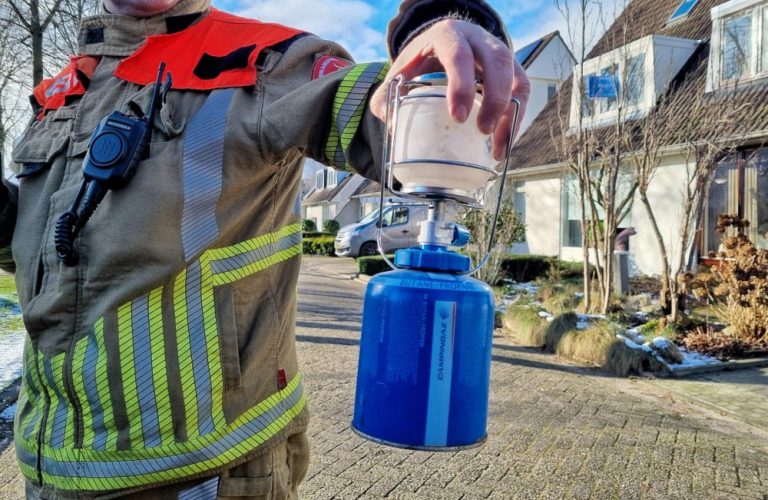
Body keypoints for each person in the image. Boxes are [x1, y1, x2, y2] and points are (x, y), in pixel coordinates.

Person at [4, 0, 530, 498]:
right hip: (49, 469)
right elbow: (48, 252)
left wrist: (447, 34)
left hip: (203, 474)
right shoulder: (58, 96)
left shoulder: (264, 65)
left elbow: (389, 111)